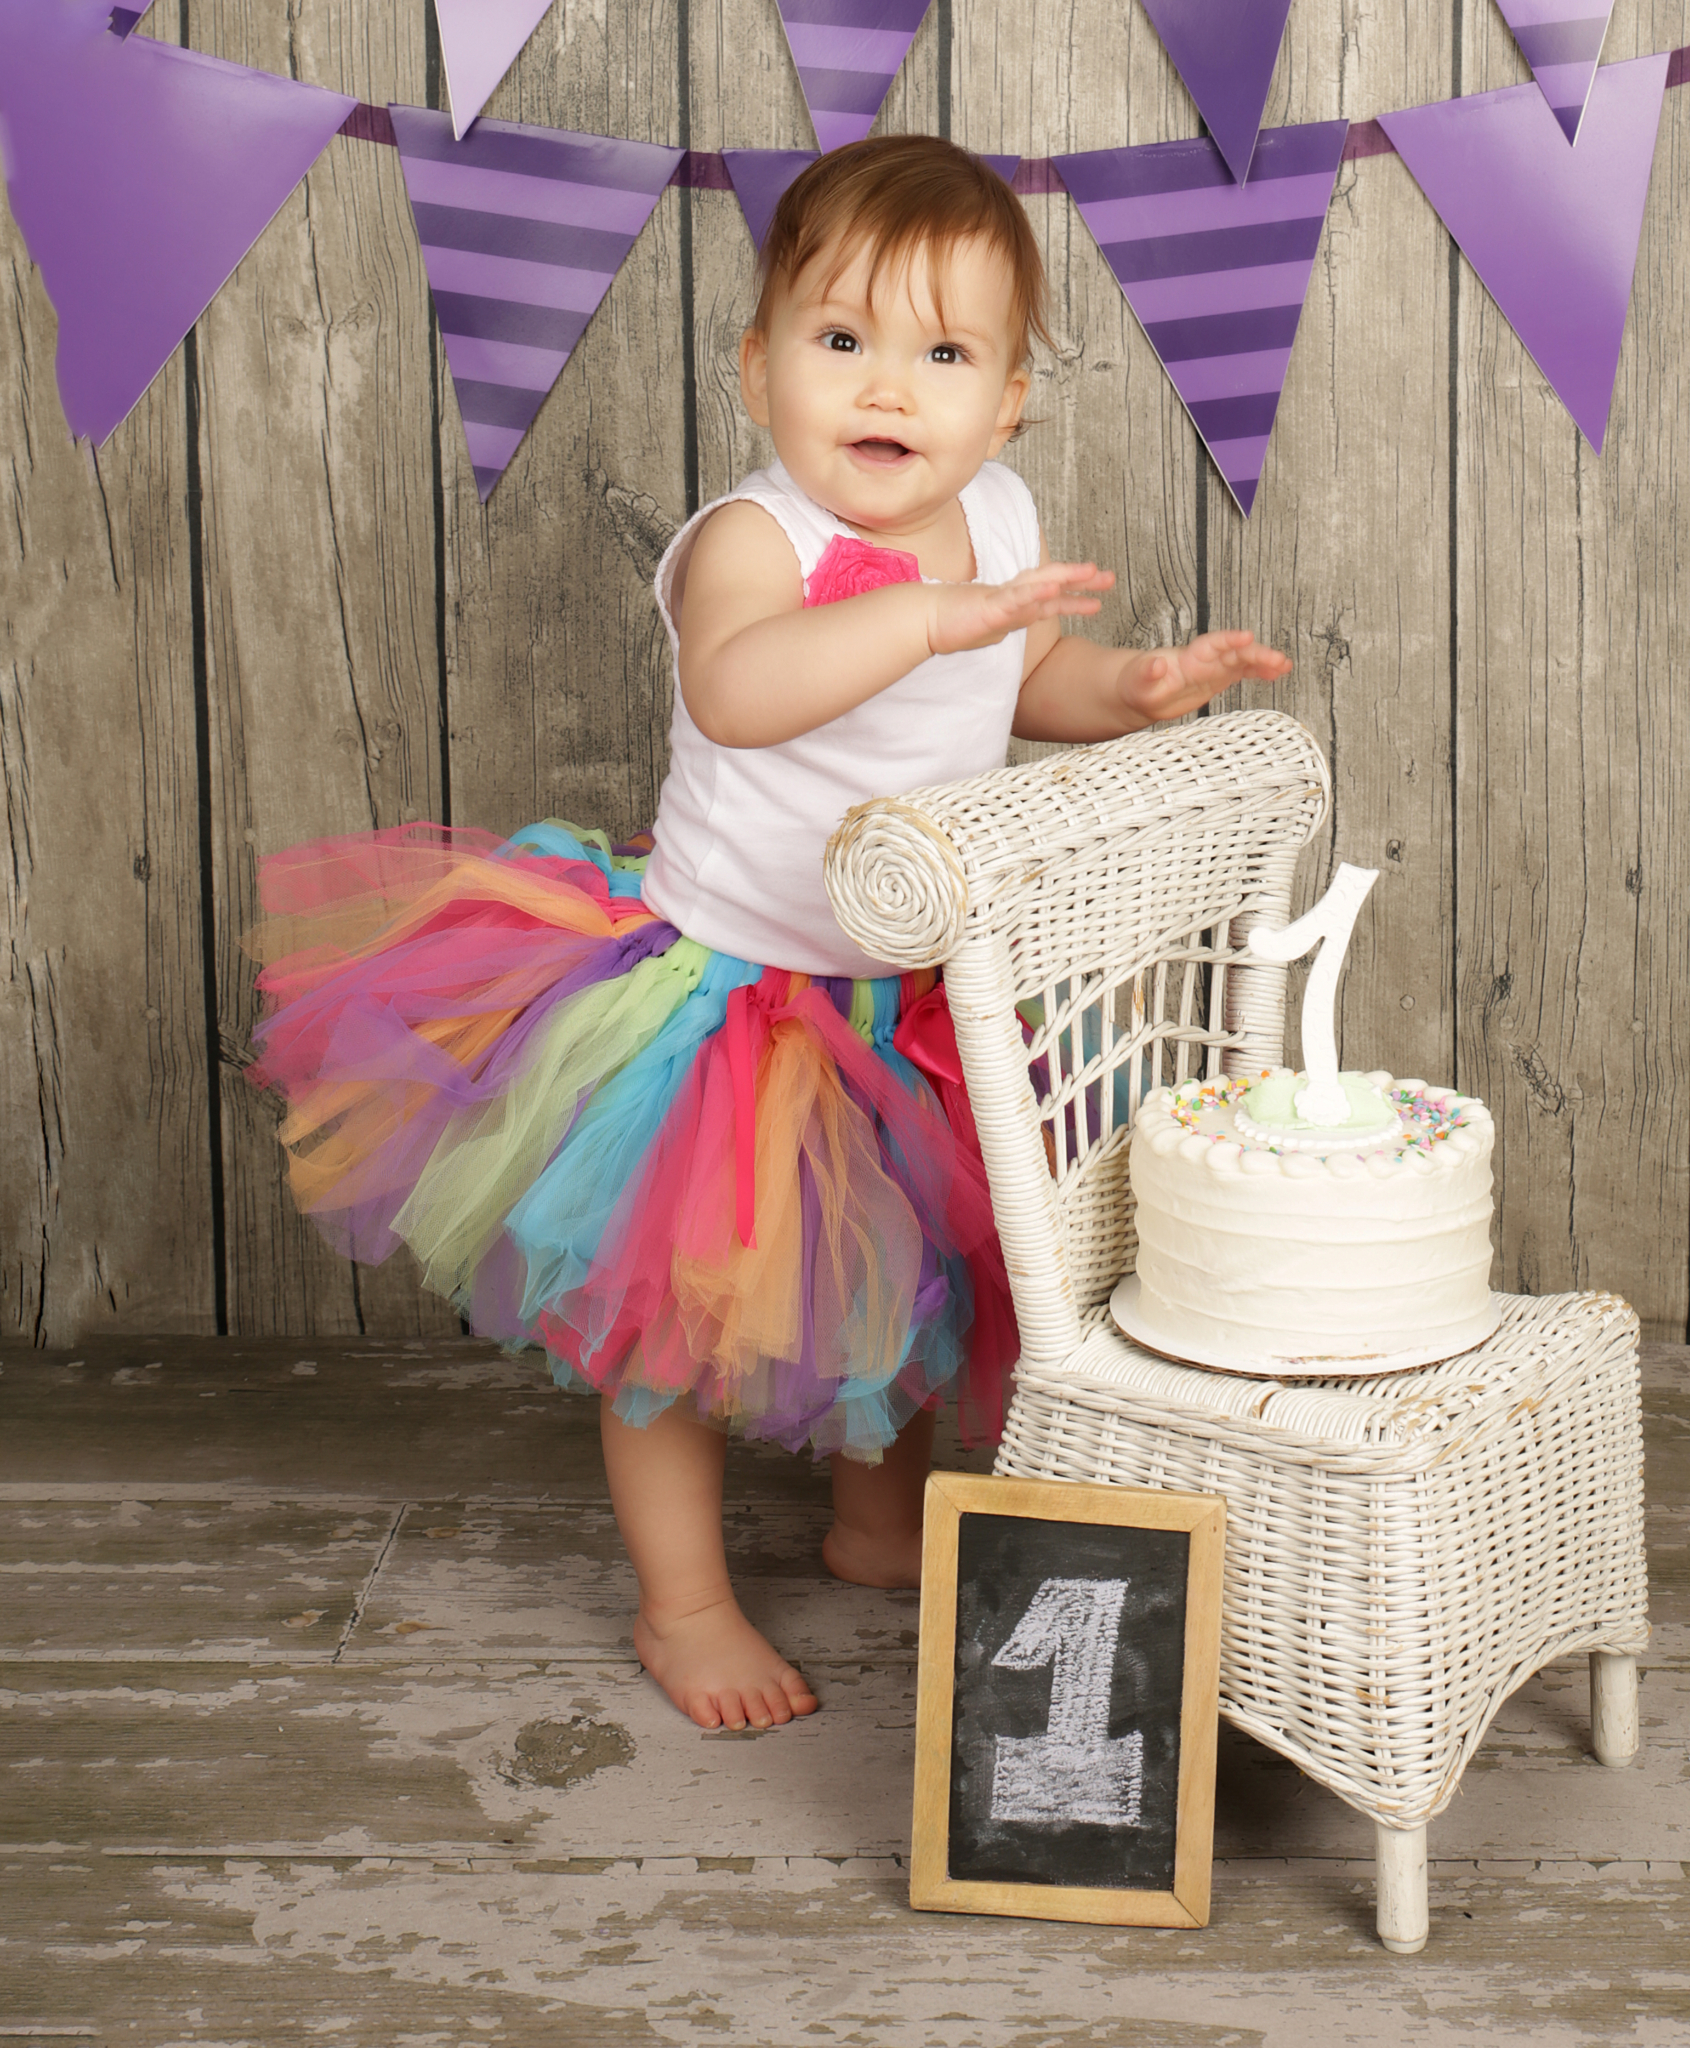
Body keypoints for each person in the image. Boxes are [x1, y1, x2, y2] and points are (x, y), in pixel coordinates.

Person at [246, 134, 1290, 1736]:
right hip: (730, 997)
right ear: (758, 365)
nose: (889, 387)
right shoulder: (752, 542)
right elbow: (745, 690)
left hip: (917, 991)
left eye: (944, 355)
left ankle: (879, 1526)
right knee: (671, 1322)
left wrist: (1127, 691)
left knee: (923, 1274)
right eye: (842, 339)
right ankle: (686, 1604)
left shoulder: (997, 519)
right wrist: (927, 615)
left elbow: (1008, 692)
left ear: (1006, 400)